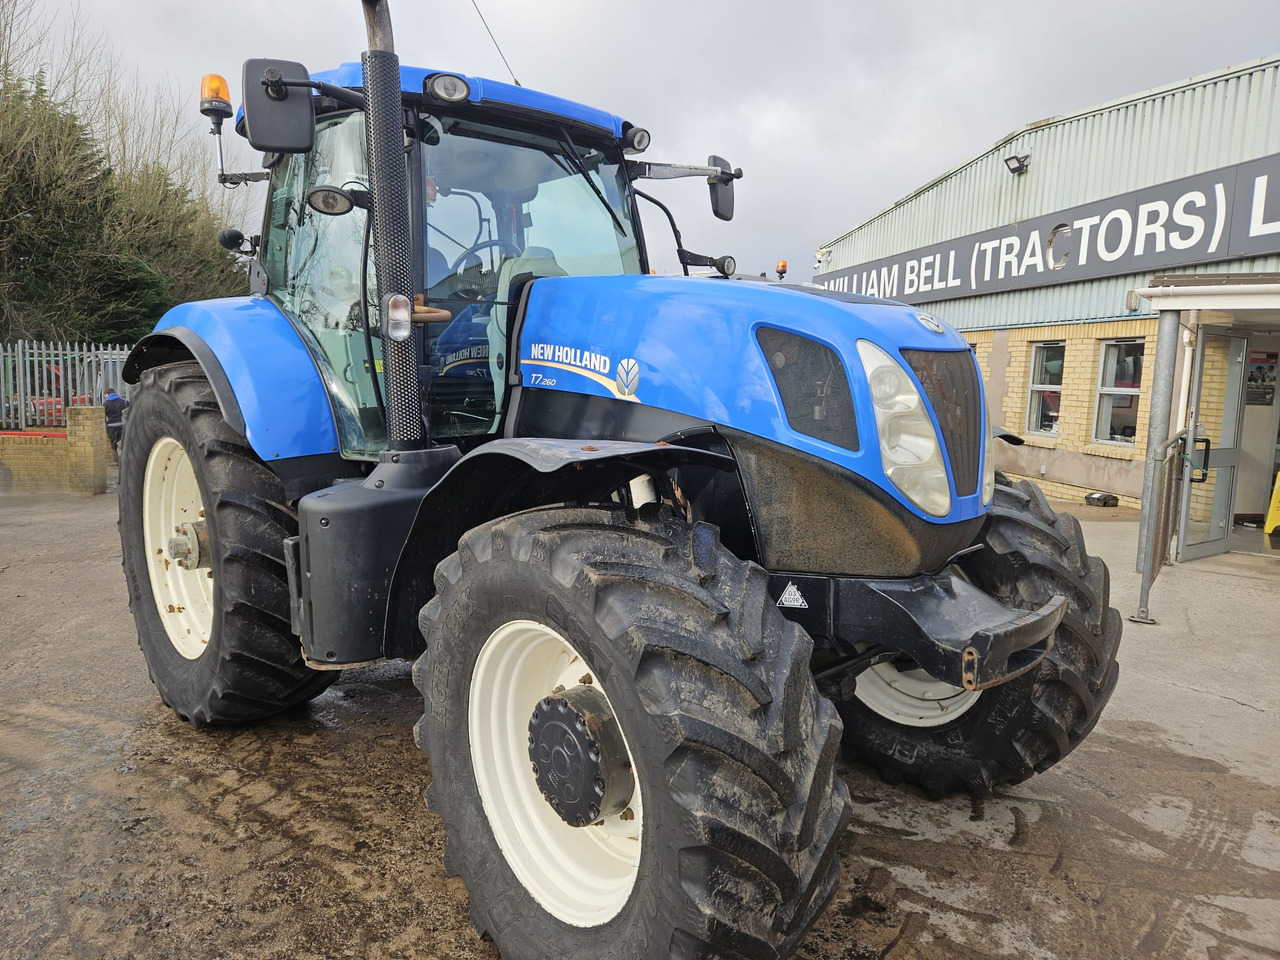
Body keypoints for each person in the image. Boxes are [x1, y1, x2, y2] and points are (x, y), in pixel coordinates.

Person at [104, 390, 128, 462]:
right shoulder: (124, 402)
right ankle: (124, 461)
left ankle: (116, 461)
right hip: (123, 425)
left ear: (107, 394)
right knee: (123, 443)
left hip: (111, 426)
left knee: (113, 445)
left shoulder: (105, 404)